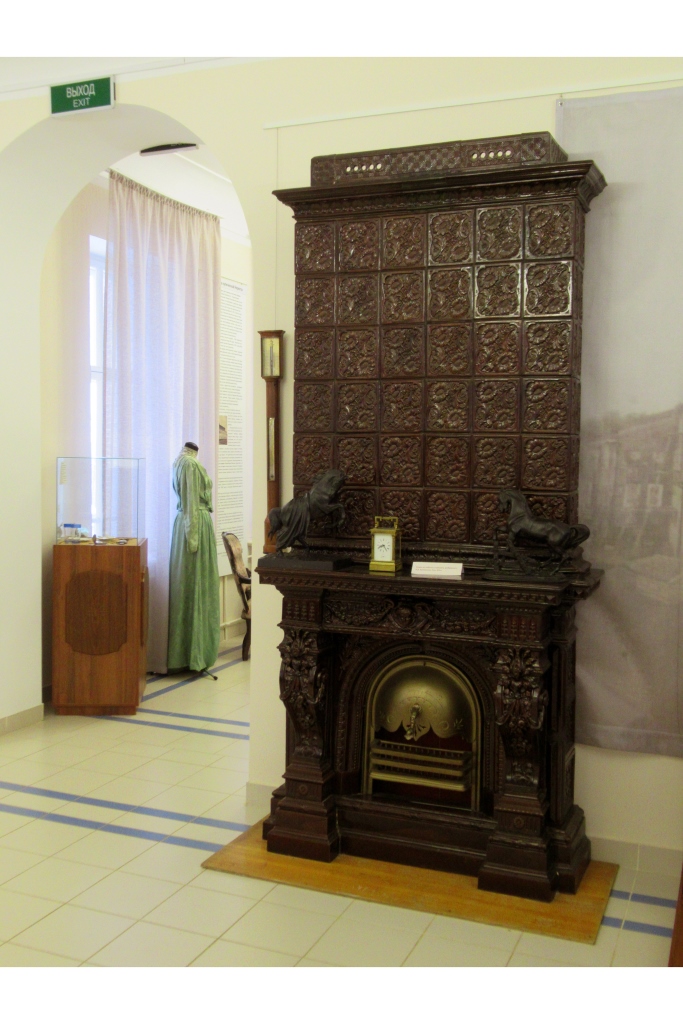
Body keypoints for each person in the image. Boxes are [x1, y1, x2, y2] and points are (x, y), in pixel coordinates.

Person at [167, 442, 220, 672]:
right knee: (196, 585)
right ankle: (194, 654)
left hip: (190, 525)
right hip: (194, 526)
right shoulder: (189, 464)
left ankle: (189, 652)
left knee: (190, 586)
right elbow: (190, 504)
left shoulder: (180, 461)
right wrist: (193, 538)